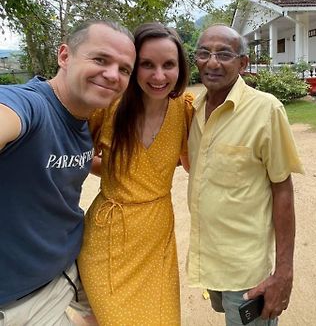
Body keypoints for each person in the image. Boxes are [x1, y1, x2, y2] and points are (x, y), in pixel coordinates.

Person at [0, 20, 136, 325]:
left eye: (124, 69)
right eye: (100, 59)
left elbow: (81, 162)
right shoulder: (30, 106)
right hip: (22, 300)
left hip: (72, 268)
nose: (113, 74)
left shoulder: (84, 120)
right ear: (64, 56)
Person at [77, 22, 193, 326]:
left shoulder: (186, 110)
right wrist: (118, 175)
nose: (158, 76)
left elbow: (192, 163)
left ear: (180, 67)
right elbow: (78, 157)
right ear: (133, 67)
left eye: (168, 65)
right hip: (107, 236)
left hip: (156, 238)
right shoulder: (110, 105)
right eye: (147, 65)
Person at [187, 25, 303, 325]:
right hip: (210, 261)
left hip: (247, 273)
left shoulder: (266, 110)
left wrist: (284, 272)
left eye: (224, 54)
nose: (212, 62)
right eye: (204, 53)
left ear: (243, 63)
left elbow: (283, 190)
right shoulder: (193, 109)